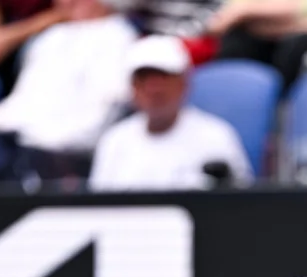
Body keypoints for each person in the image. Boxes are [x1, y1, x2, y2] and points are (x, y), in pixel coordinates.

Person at [0, 0, 136, 178]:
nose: (67, 2)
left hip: (68, 154)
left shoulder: (119, 37)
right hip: (23, 142)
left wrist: (35, 137)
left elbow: (101, 116)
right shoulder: (50, 36)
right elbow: (22, 101)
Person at [89, 34, 252, 189]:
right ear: (132, 88)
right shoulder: (115, 141)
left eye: (163, 78)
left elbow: (239, 202)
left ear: (184, 84)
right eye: (144, 78)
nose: (154, 89)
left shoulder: (216, 137)